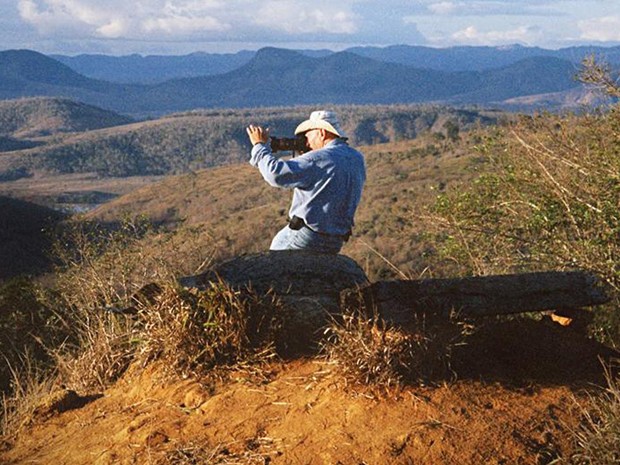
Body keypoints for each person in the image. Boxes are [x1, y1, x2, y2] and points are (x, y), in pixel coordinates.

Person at [246, 110, 366, 254]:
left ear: (321, 133)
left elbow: (275, 174)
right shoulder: (356, 157)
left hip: (307, 237)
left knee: (273, 262)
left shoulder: (318, 158)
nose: (306, 141)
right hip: (336, 241)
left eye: (308, 134)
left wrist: (259, 146)